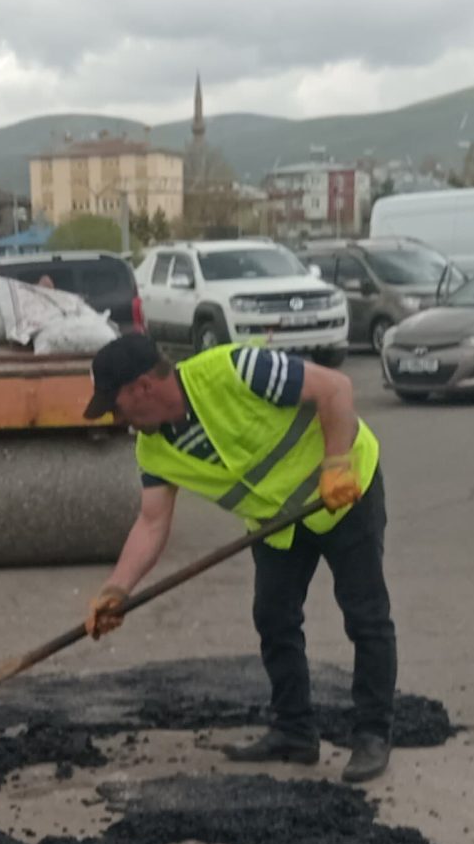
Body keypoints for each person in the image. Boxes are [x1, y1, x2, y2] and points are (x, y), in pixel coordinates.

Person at [83, 333, 397, 783]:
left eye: (115, 406)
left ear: (142, 388)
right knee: (274, 618)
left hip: (345, 496)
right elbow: (151, 523)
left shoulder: (235, 369)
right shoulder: (152, 449)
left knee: (366, 615)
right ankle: (295, 731)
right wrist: (117, 589)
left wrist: (336, 462)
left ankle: (372, 734)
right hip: (278, 524)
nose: (117, 418)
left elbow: (335, 388)